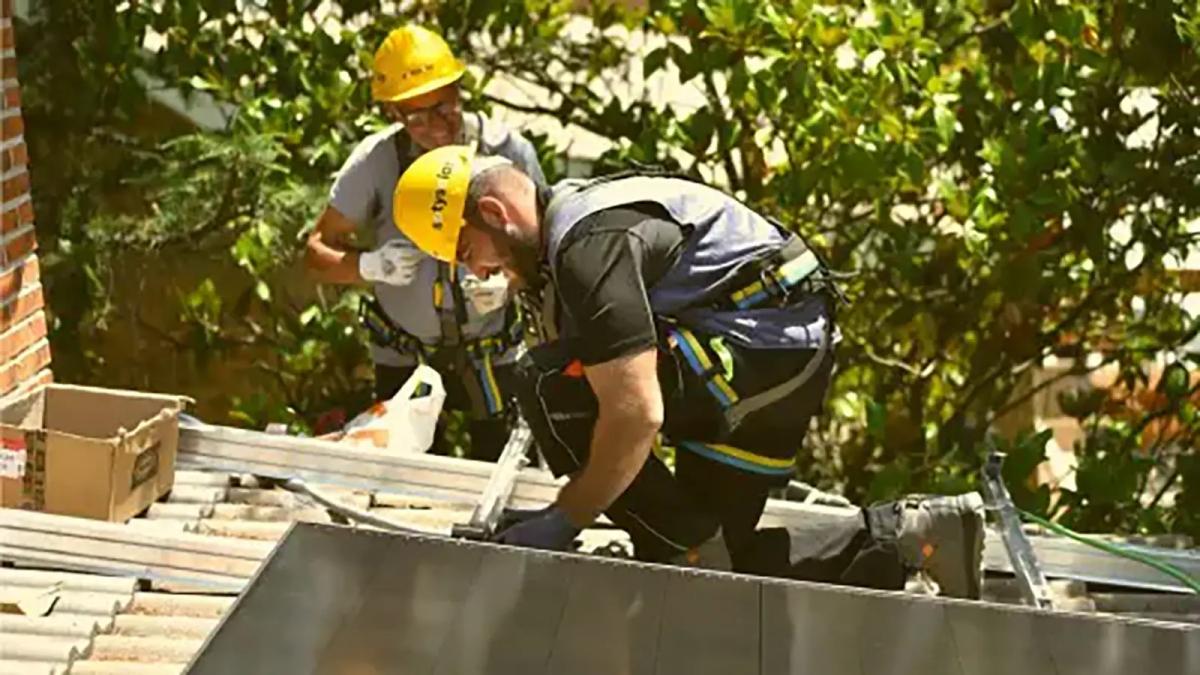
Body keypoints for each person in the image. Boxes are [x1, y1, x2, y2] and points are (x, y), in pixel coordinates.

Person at [390, 145, 987, 598]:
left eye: (470, 252)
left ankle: (674, 542)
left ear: (495, 213)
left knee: (545, 382)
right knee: (711, 564)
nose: (484, 273)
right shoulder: (576, 230)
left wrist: (566, 516)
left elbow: (636, 412)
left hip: (759, 351)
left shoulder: (588, 244)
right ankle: (914, 533)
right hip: (777, 357)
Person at [304, 26, 547, 461]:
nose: (435, 127)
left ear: (459, 89)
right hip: (403, 350)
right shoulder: (377, 162)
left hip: (493, 351)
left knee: (501, 469)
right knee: (398, 473)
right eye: (417, 117)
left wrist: (510, 284)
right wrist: (368, 267)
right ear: (395, 114)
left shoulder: (508, 151)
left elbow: (543, 250)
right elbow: (317, 250)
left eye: (443, 109)